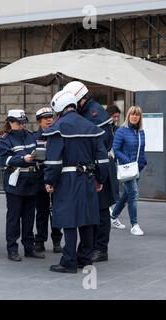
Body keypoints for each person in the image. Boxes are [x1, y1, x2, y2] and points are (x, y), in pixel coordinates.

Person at [44, 90, 109, 273]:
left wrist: (49, 180)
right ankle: (85, 259)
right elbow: (103, 159)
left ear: (59, 107)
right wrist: (100, 178)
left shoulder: (59, 127)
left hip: (67, 179)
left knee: (69, 219)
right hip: (88, 178)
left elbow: (53, 161)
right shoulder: (90, 126)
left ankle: (69, 261)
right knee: (87, 219)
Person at [63, 81, 118, 263]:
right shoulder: (87, 111)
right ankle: (92, 246)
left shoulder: (94, 113)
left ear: (79, 98)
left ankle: (101, 249)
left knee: (101, 209)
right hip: (94, 167)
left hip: (100, 166)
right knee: (94, 209)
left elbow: (99, 143)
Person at [0, 109, 45, 262]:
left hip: (31, 180)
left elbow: (38, 152)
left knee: (29, 217)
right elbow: (5, 161)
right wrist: (23, 158)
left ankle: (29, 248)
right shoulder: (5, 140)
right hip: (15, 182)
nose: (22, 125)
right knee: (14, 218)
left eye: (24, 122)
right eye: (19, 122)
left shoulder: (30, 136)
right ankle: (12, 249)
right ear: (10, 122)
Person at [110, 106, 147, 236]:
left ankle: (113, 217)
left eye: (137, 114)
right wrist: (128, 162)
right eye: (132, 114)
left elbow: (141, 149)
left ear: (140, 117)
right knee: (134, 194)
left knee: (126, 195)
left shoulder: (141, 132)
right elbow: (116, 149)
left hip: (136, 169)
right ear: (128, 116)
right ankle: (134, 225)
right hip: (126, 169)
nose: (135, 116)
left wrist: (143, 162)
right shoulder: (122, 131)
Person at [33, 107, 63, 253]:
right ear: (39, 122)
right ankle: (40, 240)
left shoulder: (57, 135)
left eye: (51, 117)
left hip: (56, 178)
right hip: (40, 178)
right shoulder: (34, 137)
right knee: (41, 212)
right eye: (46, 118)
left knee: (56, 212)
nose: (50, 120)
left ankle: (57, 241)